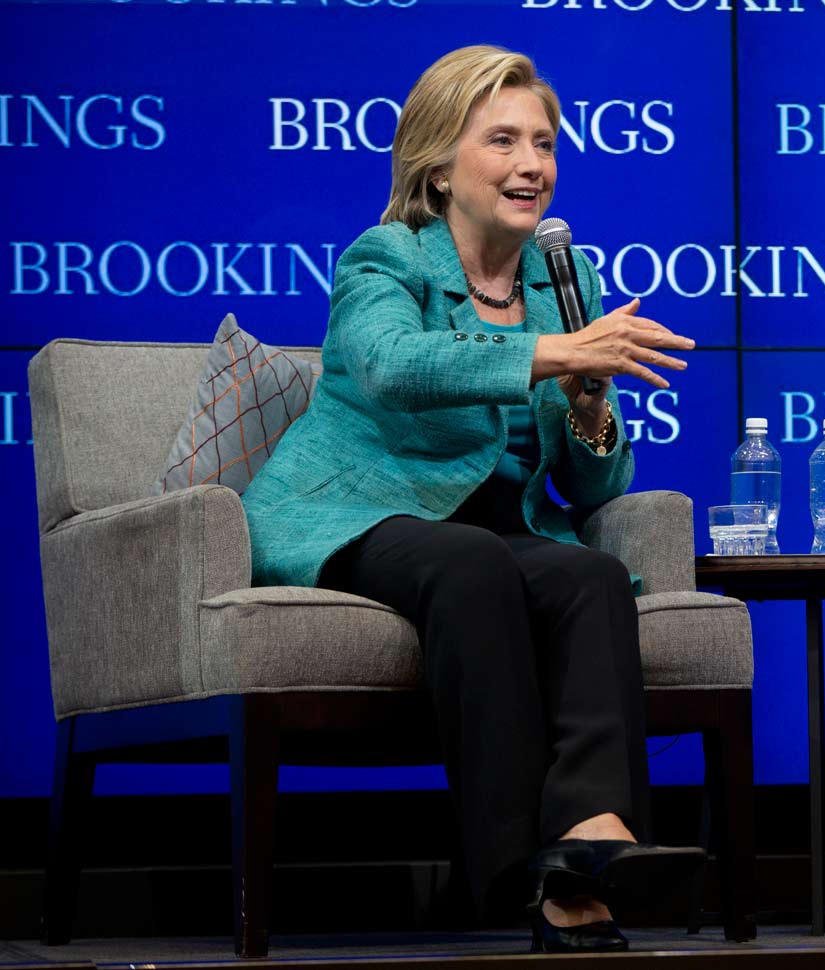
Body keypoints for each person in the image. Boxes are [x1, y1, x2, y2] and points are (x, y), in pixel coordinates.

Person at [240, 45, 701, 953]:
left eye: (544, 142)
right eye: (502, 141)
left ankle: (588, 839)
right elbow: (393, 367)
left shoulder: (563, 287)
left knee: (594, 576)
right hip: (363, 510)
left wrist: (590, 401)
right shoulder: (386, 259)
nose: (532, 165)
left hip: (494, 524)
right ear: (440, 164)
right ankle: (517, 874)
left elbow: (596, 481)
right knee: (472, 563)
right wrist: (554, 356)